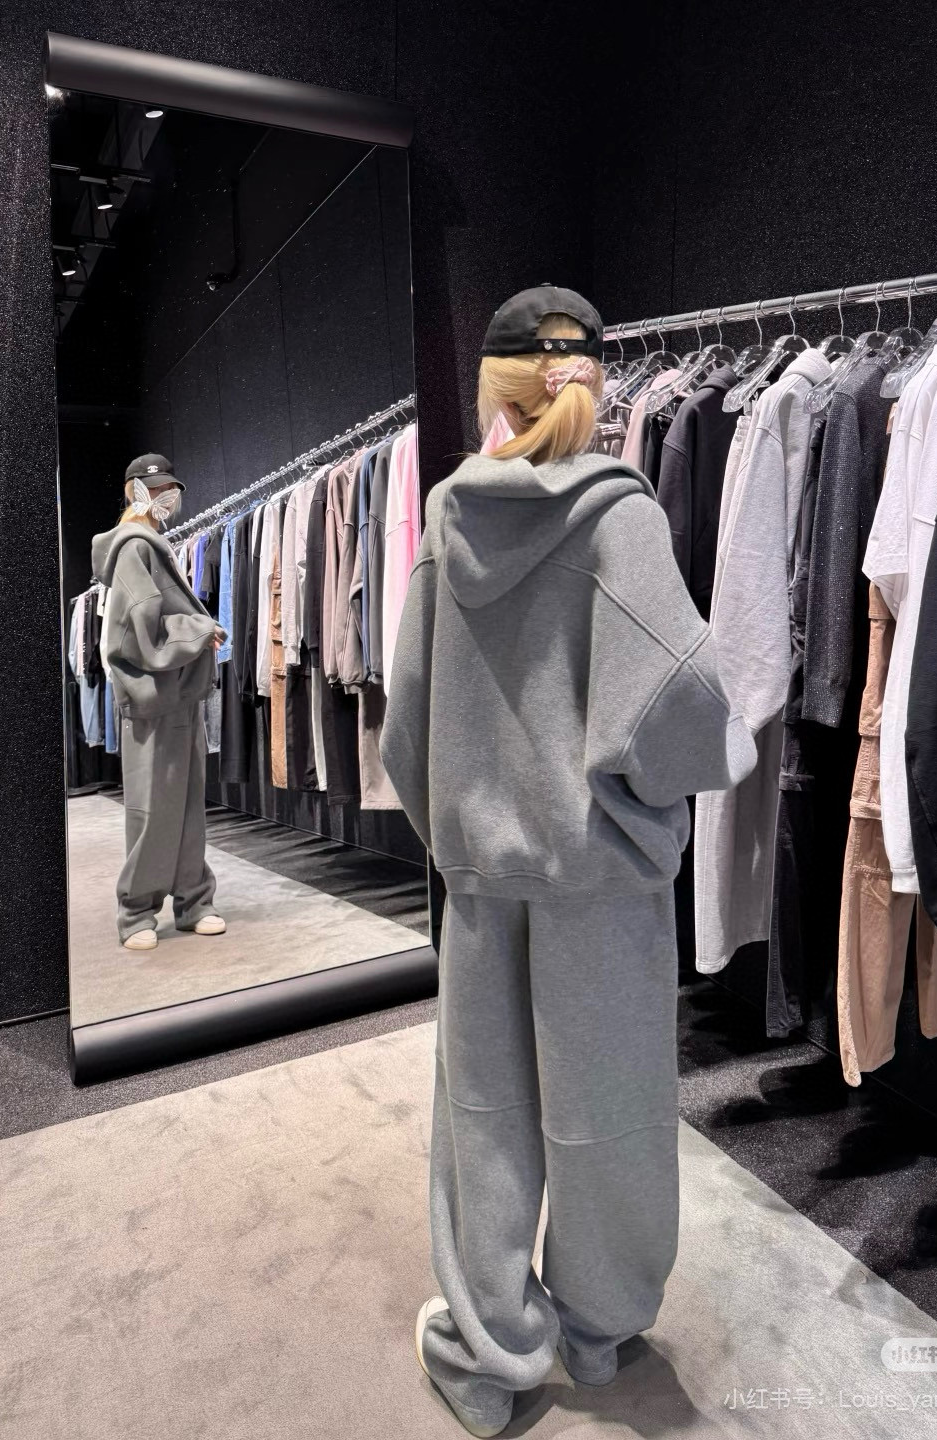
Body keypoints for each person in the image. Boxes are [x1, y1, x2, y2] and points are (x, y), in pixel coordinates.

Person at [381, 286, 755, 1436]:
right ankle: (598, 1330)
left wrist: (458, 833)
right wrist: (643, 816)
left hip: (483, 885)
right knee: (610, 1113)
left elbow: (405, 728)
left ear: (492, 391)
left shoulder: (446, 522)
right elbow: (687, 703)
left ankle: (487, 1358)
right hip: (597, 881)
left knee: (483, 1119)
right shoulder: (619, 520)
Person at [92, 454, 227, 952]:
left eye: (172, 487)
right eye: (157, 488)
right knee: (150, 809)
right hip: (152, 696)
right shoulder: (133, 547)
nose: (168, 496)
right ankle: (136, 912)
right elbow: (136, 632)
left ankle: (194, 902)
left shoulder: (153, 544)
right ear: (135, 490)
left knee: (187, 806)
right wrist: (200, 629)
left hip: (178, 693)